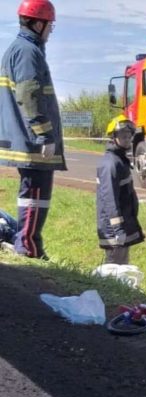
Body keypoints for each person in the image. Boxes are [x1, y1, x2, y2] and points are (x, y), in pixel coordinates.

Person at [0, 0, 65, 259]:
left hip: (28, 138)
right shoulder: (28, 51)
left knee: (35, 195)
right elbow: (29, 95)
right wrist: (44, 134)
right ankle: (27, 246)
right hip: (33, 141)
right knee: (35, 195)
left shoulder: (23, 49)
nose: (50, 31)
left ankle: (30, 243)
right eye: (50, 26)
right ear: (38, 24)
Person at [96, 115, 144, 264]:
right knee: (114, 267)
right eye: (123, 136)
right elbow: (109, 199)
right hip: (114, 229)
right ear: (113, 137)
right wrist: (117, 229)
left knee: (121, 265)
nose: (127, 139)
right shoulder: (111, 164)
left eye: (129, 135)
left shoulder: (119, 159)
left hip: (123, 223)